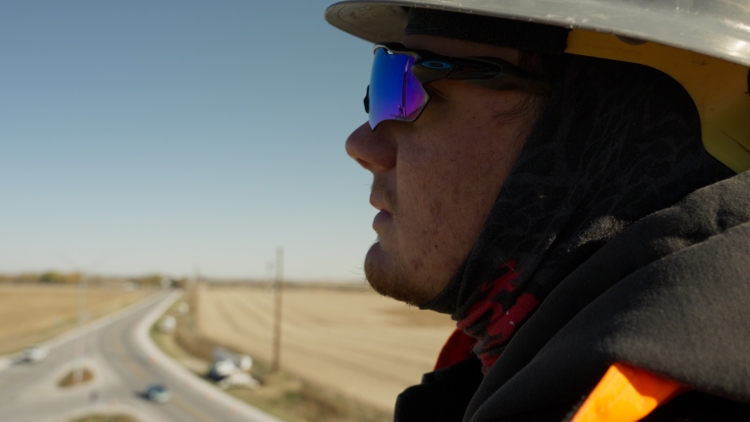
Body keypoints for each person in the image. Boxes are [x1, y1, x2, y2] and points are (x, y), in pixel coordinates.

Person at [326, 2, 750, 421]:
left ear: (601, 122)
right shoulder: (497, 371)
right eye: (382, 84)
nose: (360, 145)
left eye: (406, 87)